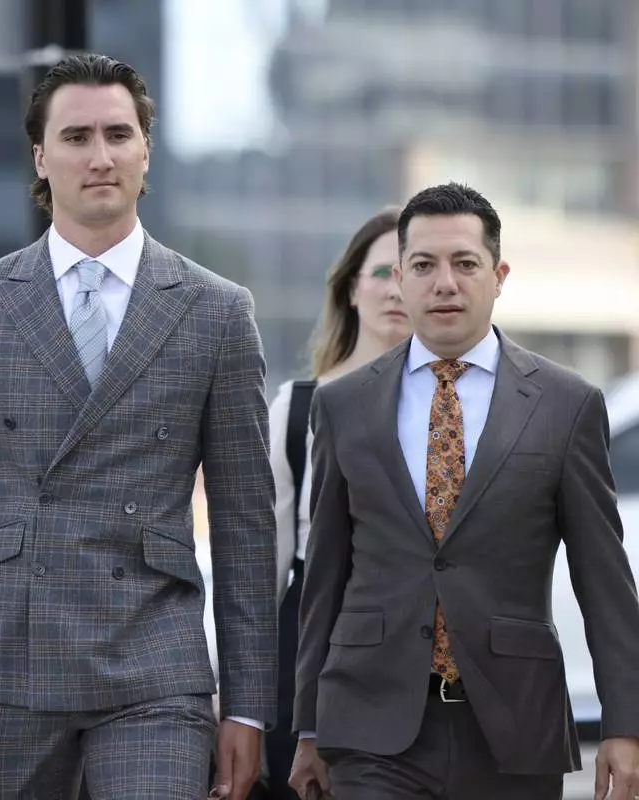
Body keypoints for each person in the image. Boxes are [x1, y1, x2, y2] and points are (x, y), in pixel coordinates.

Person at [0, 52, 278, 799]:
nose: (100, 156)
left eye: (118, 134)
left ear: (145, 149)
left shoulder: (218, 311)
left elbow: (245, 523)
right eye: (76, 137)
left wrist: (250, 706)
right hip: (4, 656)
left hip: (154, 658)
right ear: (40, 156)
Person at [289, 182, 639, 799]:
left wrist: (625, 726)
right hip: (371, 727)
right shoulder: (343, 406)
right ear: (399, 276)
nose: (444, 282)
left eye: (465, 263)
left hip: (513, 726)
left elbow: (605, 581)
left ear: (499, 275)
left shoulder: (566, 405)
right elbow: (324, 575)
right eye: (423, 265)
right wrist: (309, 727)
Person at [259, 206, 410, 798]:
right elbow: (265, 560)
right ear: (351, 287)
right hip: (303, 639)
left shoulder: (457, 409)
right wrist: (234, 692)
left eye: (411, 270)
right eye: (381, 273)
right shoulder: (295, 408)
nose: (397, 289)